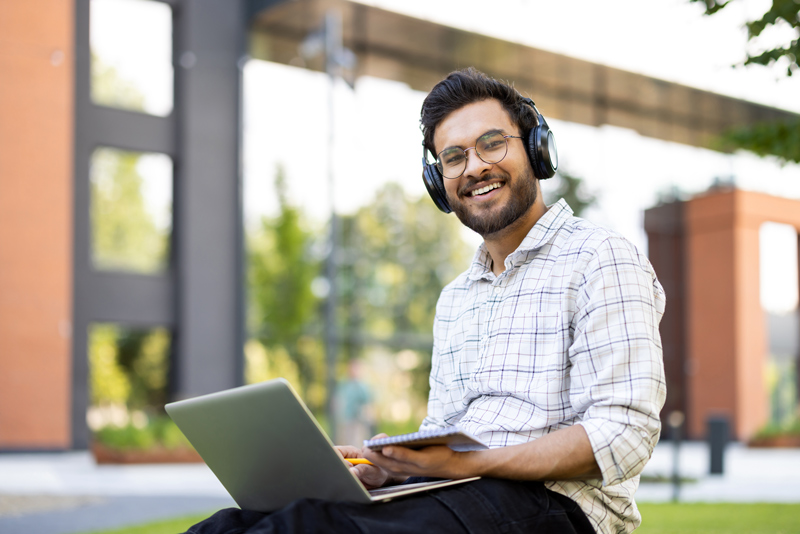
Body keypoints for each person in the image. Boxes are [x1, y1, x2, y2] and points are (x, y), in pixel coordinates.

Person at [183, 67, 666, 534]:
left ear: (538, 150)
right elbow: (442, 433)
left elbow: (624, 434)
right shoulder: (456, 298)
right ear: (440, 182)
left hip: (557, 506)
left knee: (303, 528)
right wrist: (389, 468)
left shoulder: (600, 257)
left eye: (492, 143)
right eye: (453, 157)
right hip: (459, 493)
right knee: (230, 525)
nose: (475, 167)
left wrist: (464, 463)